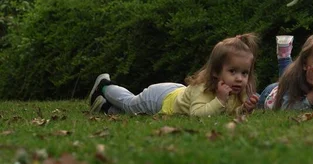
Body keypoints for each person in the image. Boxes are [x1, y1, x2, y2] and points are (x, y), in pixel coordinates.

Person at [88, 33, 261, 117]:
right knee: (129, 104)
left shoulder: (238, 90)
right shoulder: (203, 88)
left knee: (129, 115)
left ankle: (103, 107)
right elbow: (196, 114)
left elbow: (229, 112)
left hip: (179, 93)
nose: (239, 78)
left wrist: (244, 110)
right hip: (160, 98)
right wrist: (220, 100)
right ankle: (104, 85)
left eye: (244, 73)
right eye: (233, 71)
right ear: (216, 72)